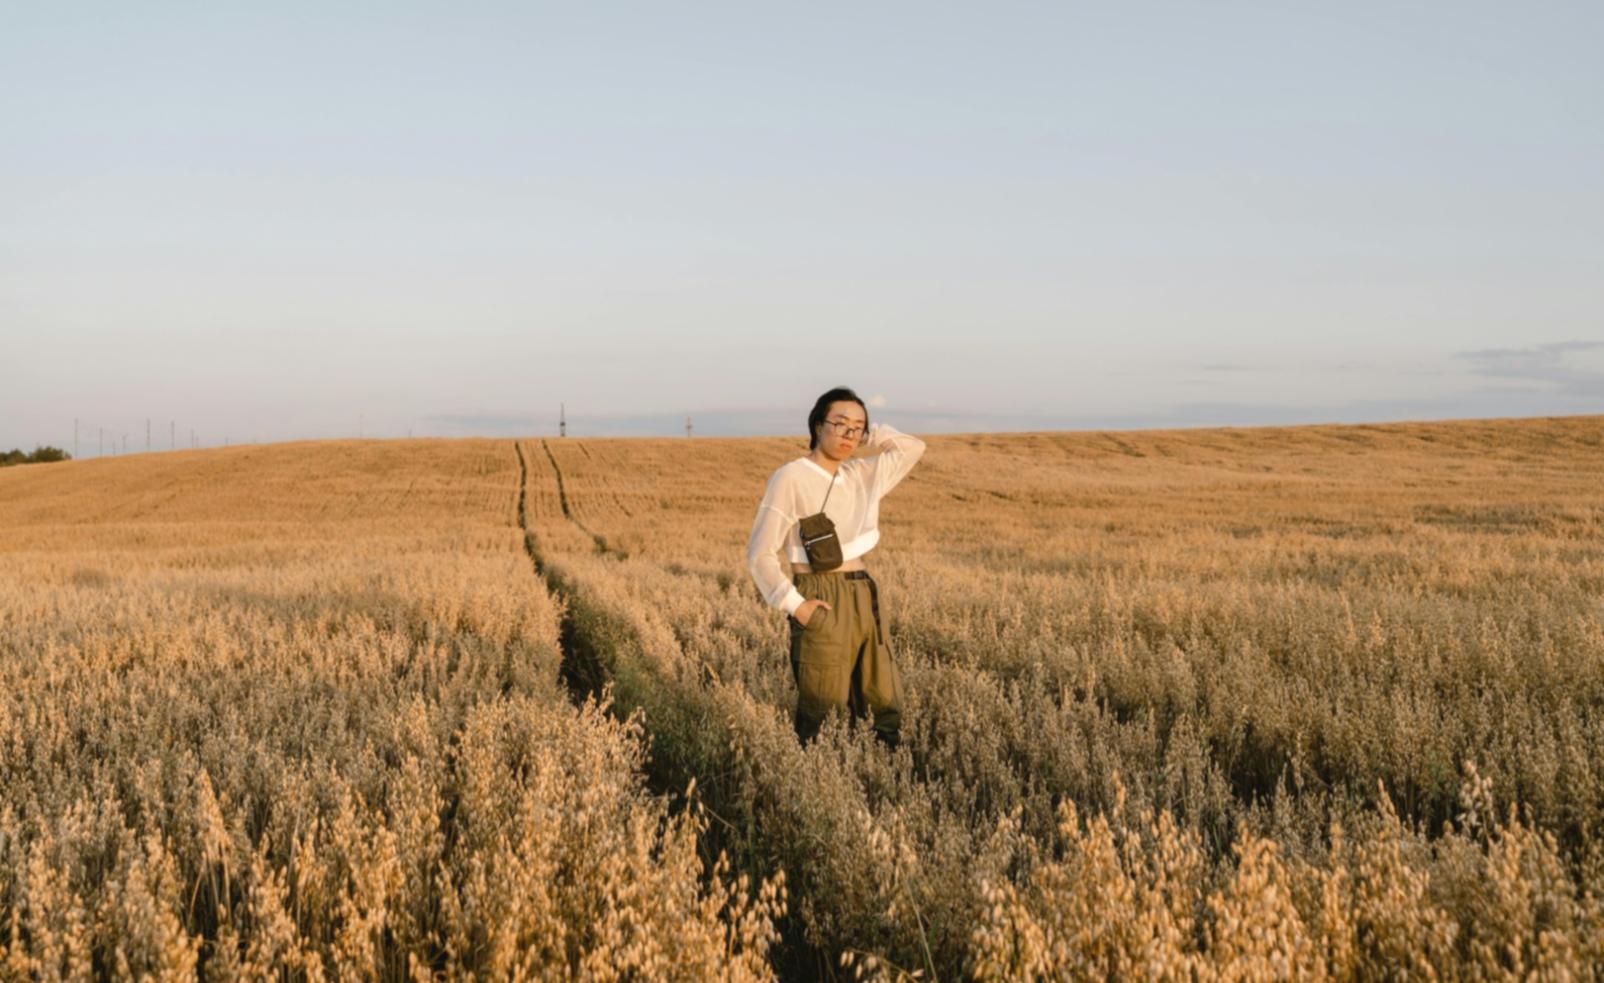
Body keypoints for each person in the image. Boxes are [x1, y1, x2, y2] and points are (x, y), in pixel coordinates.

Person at [744, 386, 926, 748]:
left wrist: (872, 435)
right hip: (820, 596)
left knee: (884, 701)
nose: (848, 434)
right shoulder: (791, 476)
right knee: (821, 709)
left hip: (863, 592)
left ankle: (881, 785)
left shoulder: (861, 474)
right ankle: (816, 783)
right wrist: (797, 606)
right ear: (816, 425)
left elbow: (913, 448)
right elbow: (760, 552)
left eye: (857, 427)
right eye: (839, 424)